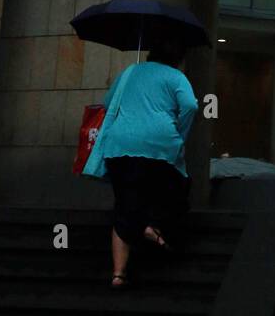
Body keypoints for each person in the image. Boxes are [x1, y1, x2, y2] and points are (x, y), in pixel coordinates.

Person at [83, 38, 198, 290]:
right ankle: (151, 227)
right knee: (175, 189)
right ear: (178, 58)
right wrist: (179, 134)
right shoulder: (176, 77)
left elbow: (108, 101)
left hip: (120, 145)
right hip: (160, 145)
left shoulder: (129, 72)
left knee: (125, 203)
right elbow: (191, 105)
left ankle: (118, 274)